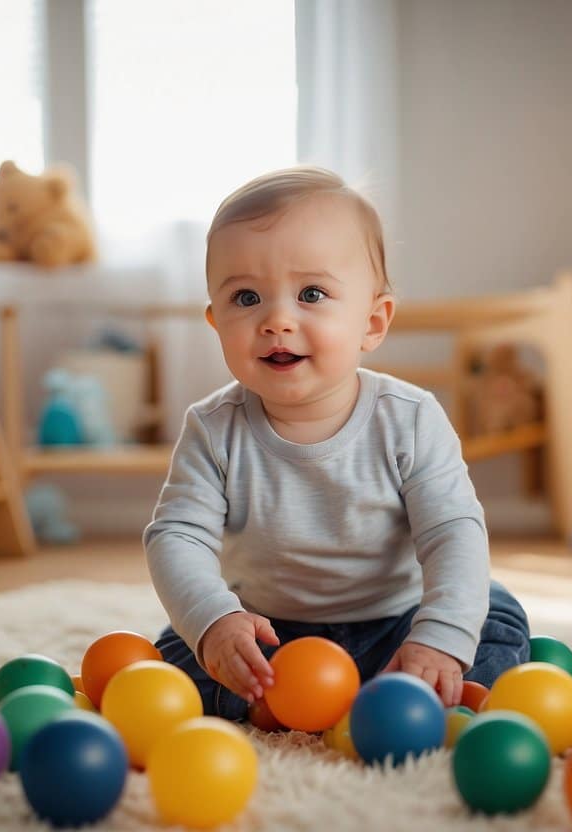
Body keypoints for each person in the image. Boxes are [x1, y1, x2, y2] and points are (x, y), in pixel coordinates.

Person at [144, 166, 529, 721]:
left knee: (491, 619)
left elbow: (453, 533)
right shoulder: (213, 428)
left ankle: (404, 685)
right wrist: (215, 621)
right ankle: (305, 698)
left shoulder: (410, 418)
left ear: (373, 322)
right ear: (215, 321)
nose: (277, 319)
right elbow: (176, 536)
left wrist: (439, 636)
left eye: (312, 293)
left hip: (398, 621)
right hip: (269, 636)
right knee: (177, 657)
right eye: (246, 297)